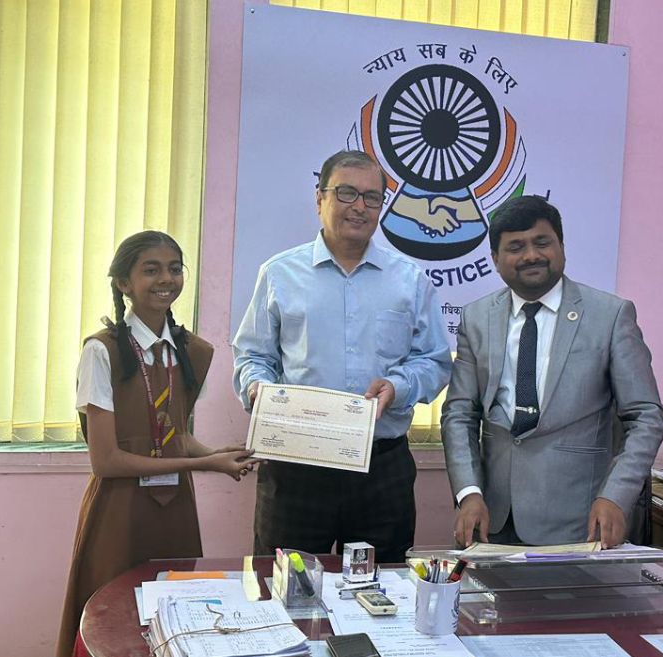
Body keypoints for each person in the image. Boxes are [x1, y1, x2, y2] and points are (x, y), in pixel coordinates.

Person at [232, 149, 451, 563]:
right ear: (320, 198)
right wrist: (257, 387)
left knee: (382, 593)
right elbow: (252, 356)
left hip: (380, 468)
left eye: (372, 197)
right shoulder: (279, 274)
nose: (359, 207)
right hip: (297, 466)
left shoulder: (409, 280)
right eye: (346, 193)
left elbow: (435, 362)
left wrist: (397, 386)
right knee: (285, 588)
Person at [56, 231, 260, 657]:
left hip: (176, 510)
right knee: (115, 626)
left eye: (174, 268)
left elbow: (173, 436)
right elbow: (106, 461)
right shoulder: (103, 351)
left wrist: (220, 454)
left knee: (179, 623)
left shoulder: (191, 351)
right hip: (119, 511)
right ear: (123, 283)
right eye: (150, 269)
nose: (165, 279)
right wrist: (207, 466)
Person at [441, 195, 663, 549]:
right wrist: (468, 492)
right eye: (516, 247)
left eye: (542, 242)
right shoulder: (476, 318)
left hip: (582, 521)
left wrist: (615, 495)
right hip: (491, 520)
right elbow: (459, 414)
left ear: (561, 247)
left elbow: (646, 416)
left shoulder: (610, 315)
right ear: (496, 261)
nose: (531, 255)